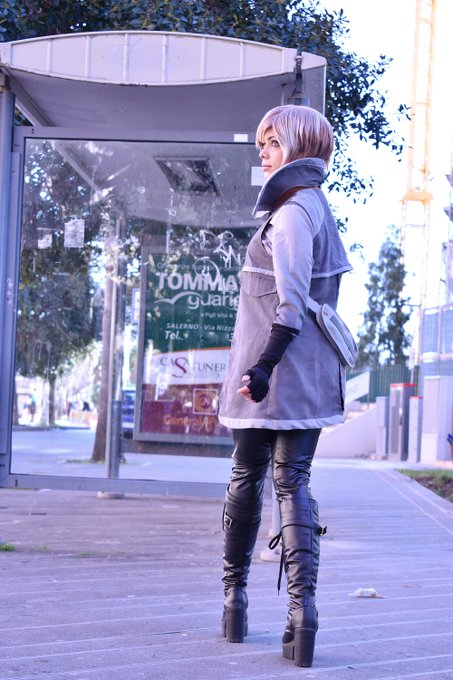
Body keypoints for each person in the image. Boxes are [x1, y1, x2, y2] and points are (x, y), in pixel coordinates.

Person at [217, 105, 352, 667]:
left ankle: (240, 600)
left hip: (274, 371)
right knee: (291, 481)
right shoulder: (311, 204)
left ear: (300, 145)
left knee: (254, 476)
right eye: (263, 143)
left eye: (273, 141)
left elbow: (291, 301)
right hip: (304, 370)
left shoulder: (293, 212)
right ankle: (301, 615)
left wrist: (263, 366)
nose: (264, 152)